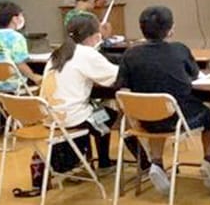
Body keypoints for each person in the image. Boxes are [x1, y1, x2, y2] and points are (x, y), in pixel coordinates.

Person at [115, 6, 210, 195]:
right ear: (170, 29)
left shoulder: (130, 55)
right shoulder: (179, 50)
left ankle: (156, 163)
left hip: (143, 121)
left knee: (155, 112)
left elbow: (121, 87)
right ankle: (209, 161)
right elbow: (195, 75)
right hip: (178, 119)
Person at [40, 15, 144, 174]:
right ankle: (144, 163)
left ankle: (104, 161)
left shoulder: (59, 53)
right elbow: (117, 76)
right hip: (74, 118)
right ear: (95, 35)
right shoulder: (86, 54)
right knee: (119, 118)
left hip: (50, 117)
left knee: (100, 111)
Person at [0, 1, 42, 88]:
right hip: (12, 84)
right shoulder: (17, 38)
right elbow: (20, 64)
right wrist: (34, 76)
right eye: (20, 15)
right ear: (14, 19)